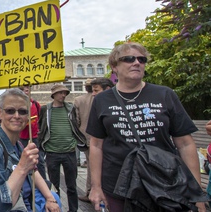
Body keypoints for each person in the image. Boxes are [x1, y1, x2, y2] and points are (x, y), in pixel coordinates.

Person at [86, 42, 206, 212]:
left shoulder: (164, 94)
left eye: (141, 59)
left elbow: (185, 143)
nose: (137, 62)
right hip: (118, 185)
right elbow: (96, 145)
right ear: (114, 67)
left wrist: (196, 193)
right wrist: (96, 187)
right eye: (128, 59)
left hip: (163, 184)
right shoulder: (102, 100)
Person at [0, 88, 61, 212]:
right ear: (0, 113)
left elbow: (33, 172)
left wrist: (50, 198)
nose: (17, 116)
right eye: (10, 111)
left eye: (23, 111)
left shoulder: (17, 145)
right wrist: (22, 168)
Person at [38, 84, 87, 212]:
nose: (63, 95)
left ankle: (73, 210)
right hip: (52, 152)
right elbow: (41, 127)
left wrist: (76, 140)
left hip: (69, 152)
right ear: (54, 94)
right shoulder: (46, 110)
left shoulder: (70, 108)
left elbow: (77, 123)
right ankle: (57, 208)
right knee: (54, 186)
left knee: (72, 186)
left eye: (65, 93)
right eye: (60, 93)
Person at [18, 85, 46, 180]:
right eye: (25, 91)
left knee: (39, 160)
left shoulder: (35, 104)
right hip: (22, 136)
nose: (26, 93)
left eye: (27, 90)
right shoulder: (18, 105)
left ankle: (43, 181)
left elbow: (40, 118)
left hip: (34, 136)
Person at [73, 79, 93, 203]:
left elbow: (76, 120)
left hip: (86, 136)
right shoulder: (101, 98)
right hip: (103, 137)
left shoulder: (79, 100)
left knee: (92, 165)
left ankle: (90, 191)